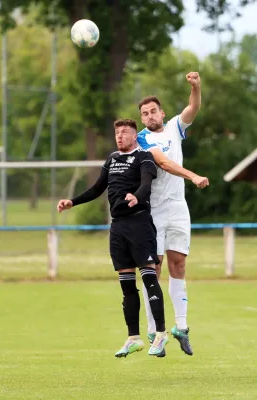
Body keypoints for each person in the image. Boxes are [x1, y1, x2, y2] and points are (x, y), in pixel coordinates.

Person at [57, 118, 169, 358]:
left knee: (149, 278)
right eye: (117, 132)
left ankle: (160, 334)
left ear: (134, 135)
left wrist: (136, 197)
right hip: (118, 227)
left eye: (125, 132)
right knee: (127, 285)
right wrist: (72, 202)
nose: (120, 136)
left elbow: (147, 184)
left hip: (139, 222)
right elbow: (98, 188)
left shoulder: (144, 157)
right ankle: (133, 338)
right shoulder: (112, 159)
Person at [137, 71, 206, 356]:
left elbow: (193, 108)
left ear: (162, 113)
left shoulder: (175, 127)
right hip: (153, 211)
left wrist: (196, 88)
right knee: (154, 268)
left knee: (179, 264)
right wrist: (192, 175)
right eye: (145, 113)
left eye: (153, 111)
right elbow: (164, 163)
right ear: (141, 119)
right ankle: (155, 330)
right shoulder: (141, 140)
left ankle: (181, 326)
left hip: (178, 207)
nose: (150, 115)